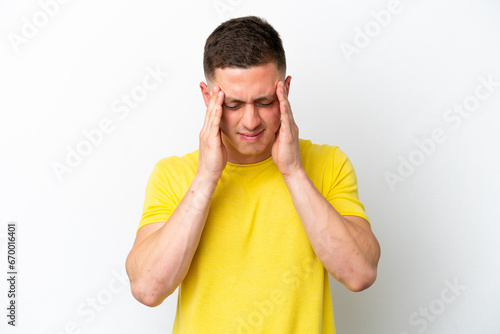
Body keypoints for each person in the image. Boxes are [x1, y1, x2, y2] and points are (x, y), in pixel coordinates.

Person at [126, 15, 381, 333]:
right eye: (232, 104)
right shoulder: (173, 174)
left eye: (265, 101)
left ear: (285, 91)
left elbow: (360, 273)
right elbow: (148, 288)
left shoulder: (328, 163)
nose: (250, 121)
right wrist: (206, 177)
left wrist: (293, 171)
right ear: (208, 97)